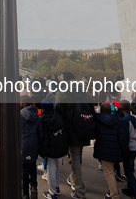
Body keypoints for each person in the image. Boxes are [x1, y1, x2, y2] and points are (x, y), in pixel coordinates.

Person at [55, 71, 92, 199]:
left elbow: (58, 111)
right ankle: (73, 178)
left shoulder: (62, 93)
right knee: (78, 154)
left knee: (75, 157)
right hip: (85, 127)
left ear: (64, 80)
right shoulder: (85, 93)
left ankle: (79, 190)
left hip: (71, 130)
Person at [39, 97, 68, 199]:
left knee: (51, 168)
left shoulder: (43, 120)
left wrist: (43, 150)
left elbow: (44, 138)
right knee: (56, 166)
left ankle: (52, 192)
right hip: (60, 145)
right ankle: (56, 187)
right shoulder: (58, 116)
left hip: (50, 148)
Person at [93, 102, 123, 199]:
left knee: (109, 173)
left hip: (104, 149)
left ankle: (114, 195)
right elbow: (122, 137)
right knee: (111, 171)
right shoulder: (117, 121)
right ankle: (113, 191)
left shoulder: (97, 120)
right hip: (115, 149)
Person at [119, 100, 136, 199]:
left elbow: (125, 136)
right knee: (130, 167)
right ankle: (130, 189)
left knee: (128, 171)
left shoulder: (124, 120)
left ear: (121, 109)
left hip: (129, 147)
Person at [20, 95, 42, 199]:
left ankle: (25, 193)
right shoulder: (37, 116)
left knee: (24, 169)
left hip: (23, 145)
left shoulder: (19, 115)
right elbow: (40, 133)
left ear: (23, 104)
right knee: (32, 165)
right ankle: (34, 187)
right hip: (34, 145)